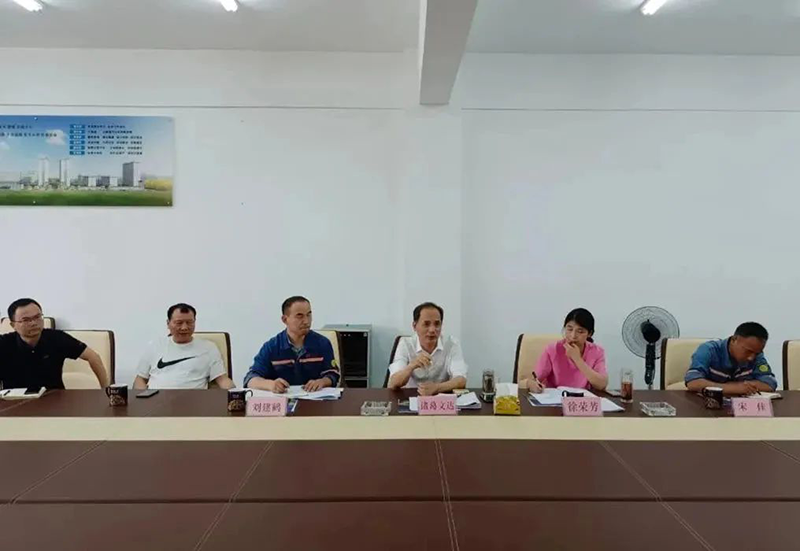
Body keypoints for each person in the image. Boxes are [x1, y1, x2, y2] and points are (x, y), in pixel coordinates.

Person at [0, 298, 109, 390]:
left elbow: (93, 356)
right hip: (14, 402)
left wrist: (106, 390)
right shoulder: (4, 343)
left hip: (54, 399)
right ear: (13, 325)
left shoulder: (57, 338)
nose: (33, 323)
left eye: (37, 317)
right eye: (26, 320)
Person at [244, 296, 339, 392]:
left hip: (314, 398)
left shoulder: (322, 343)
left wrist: (322, 382)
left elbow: (333, 374)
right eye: (299, 316)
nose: (306, 321)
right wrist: (270, 384)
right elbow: (251, 379)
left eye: (309, 315)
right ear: (285, 319)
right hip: (282, 398)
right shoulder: (272, 347)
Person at [134, 303, 234, 390]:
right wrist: (143, 398)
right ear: (168, 323)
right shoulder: (155, 345)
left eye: (189, 322)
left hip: (193, 401)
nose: (184, 327)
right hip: (157, 400)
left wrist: (236, 397)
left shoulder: (208, 347)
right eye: (179, 323)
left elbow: (222, 379)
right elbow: (140, 379)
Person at [387, 302, 468, 396]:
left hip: (442, 400)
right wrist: (411, 366)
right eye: (426, 324)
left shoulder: (452, 344)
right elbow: (393, 383)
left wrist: (436, 388)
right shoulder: (405, 344)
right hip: (410, 399)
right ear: (414, 326)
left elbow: (461, 380)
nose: (432, 330)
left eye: (437, 324)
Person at [520, 308, 608, 393]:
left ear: (590, 334)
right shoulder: (552, 350)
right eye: (569, 329)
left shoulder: (597, 352)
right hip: (555, 399)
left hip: (582, 400)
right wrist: (532, 384)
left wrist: (577, 359)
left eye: (580, 331)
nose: (573, 336)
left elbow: (601, 385)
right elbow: (533, 380)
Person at [685, 322, 777, 396]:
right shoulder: (708, 350)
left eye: (757, 353)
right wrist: (736, 388)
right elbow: (693, 382)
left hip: (742, 407)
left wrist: (736, 388)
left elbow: (769, 383)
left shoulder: (757, 355)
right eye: (748, 351)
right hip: (707, 405)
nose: (751, 358)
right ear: (734, 339)